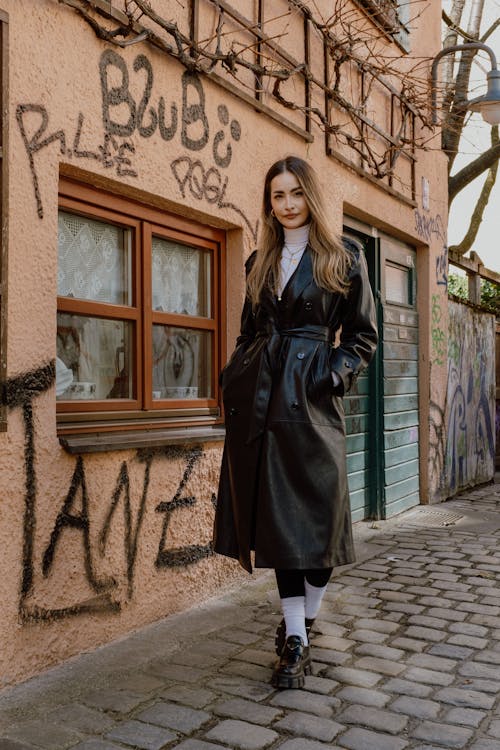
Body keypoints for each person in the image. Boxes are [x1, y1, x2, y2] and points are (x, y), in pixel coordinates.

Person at [213, 155, 378, 689]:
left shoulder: (343, 257)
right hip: (260, 403)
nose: (286, 205)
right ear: (269, 202)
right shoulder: (259, 260)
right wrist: (234, 376)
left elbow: (363, 336)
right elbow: (246, 333)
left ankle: (303, 622)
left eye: (295, 194)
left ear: (310, 196)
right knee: (280, 525)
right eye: (277, 196)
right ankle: (295, 639)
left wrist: (329, 376)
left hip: (311, 404)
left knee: (321, 522)